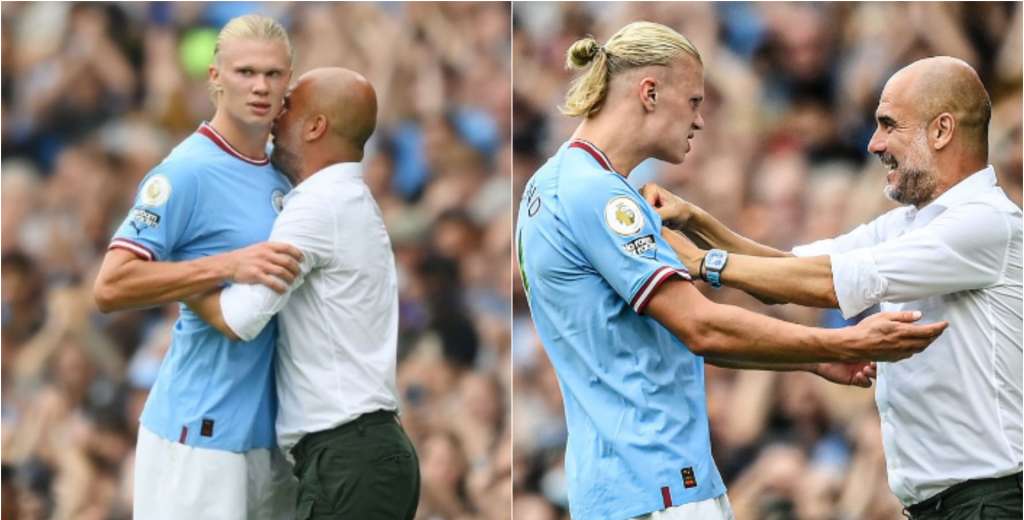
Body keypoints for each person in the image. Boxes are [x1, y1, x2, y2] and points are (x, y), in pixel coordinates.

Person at [515, 21, 949, 520]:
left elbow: (654, 345)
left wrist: (804, 360)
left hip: (616, 484)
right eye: (696, 101)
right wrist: (846, 343)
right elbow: (702, 326)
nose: (700, 121)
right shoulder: (599, 194)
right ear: (649, 92)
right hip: (657, 484)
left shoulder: (548, 184)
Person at [647, 56, 1022, 519]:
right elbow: (788, 271)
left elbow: (825, 284)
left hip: (991, 502)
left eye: (888, 125)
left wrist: (703, 264)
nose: (874, 143)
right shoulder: (909, 224)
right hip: (947, 506)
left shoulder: (985, 222)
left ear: (942, 131)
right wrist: (698, 222)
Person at [184, 67, 421, 520]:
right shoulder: (339, 200)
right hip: (356, 458)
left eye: (288, 105)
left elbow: (241, 317)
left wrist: (178, 275)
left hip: (350, 458)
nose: (275, 114)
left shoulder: (318, 205)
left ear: (316, 126)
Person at [92, 14, 300, 520]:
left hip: (272, 434)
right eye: (245, 72)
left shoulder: (287, 168)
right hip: (199, 431)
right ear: (215, 79)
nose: (260, 86)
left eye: (273, 75)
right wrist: (226, 265)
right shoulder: (186, 171)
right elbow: (110, 285)